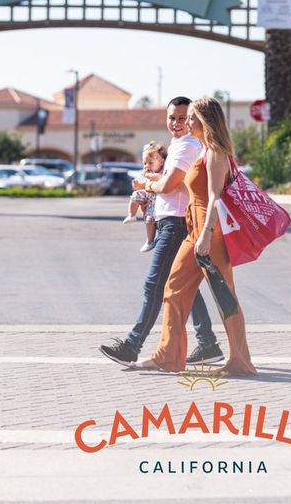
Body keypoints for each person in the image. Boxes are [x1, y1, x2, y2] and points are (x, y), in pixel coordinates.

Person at [132, 97, 257, 376]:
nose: (185, 122)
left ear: (204, 120)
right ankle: (168, 356)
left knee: (224, 296)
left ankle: (240, 361)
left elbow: (214, 198)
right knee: (175, 288)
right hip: (197, 230)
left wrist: (204, 236)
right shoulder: (204, 151)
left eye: (190, 118)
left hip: (207, 233)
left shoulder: (214, 153)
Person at [100, 97, 224, 366]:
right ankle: (208, 343)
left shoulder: (187, 146)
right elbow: (173, 183)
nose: (177, 123)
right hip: (173, 222)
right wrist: (156, 182)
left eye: (183, 118)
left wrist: (149, 184)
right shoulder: (180, 145)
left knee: (153, 285)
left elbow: (169, 186)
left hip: (177, 225)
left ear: (193, 120)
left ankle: (132, 346)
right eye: (172, 118)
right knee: (183, 287)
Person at [123, 141, 167, 253]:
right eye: (144, 163)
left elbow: (159, 178)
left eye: (150, 163)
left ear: (161, 161)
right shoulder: (150, 172)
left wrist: (147, 175)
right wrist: (139, 185)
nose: (146, 166)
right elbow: (146, 185)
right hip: (149, 196)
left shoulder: (162, 171)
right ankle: (131, 215)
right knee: (135, 194)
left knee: (149, 219)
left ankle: (149, 240)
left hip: (156, 201)